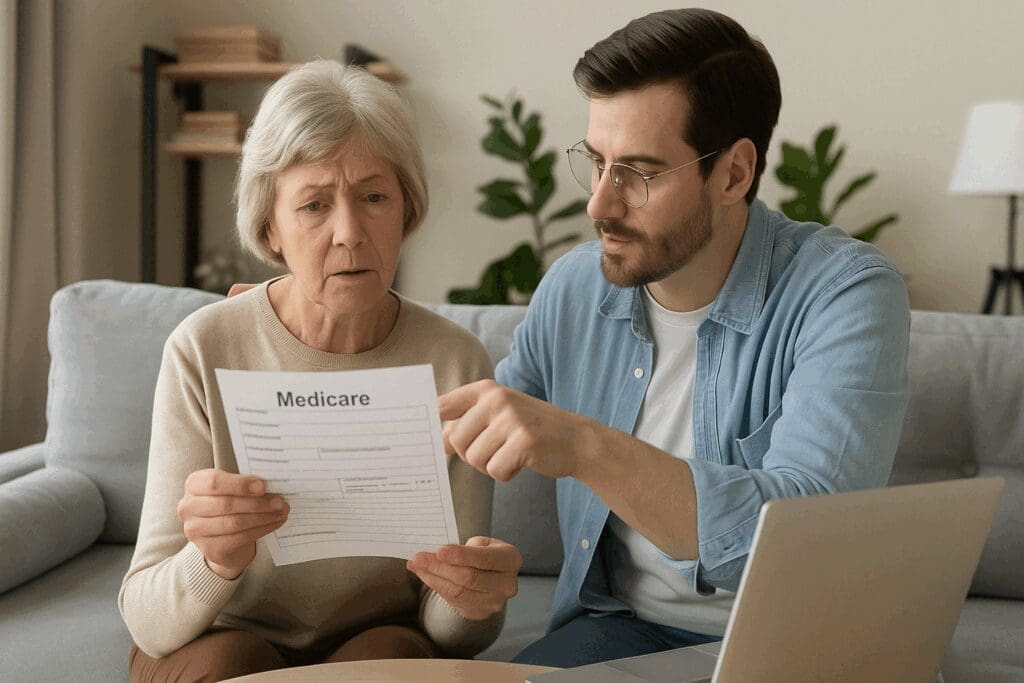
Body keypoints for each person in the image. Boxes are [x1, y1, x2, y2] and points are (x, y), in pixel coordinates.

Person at [438, 8, 910, 668]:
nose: (600, 204)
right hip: (621, 628)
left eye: (639, 172)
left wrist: (585, 445)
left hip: (801, 644)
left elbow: (804, 540)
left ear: (734, 174)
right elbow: (473, 437)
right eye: (596, 163)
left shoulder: (846, 292)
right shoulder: (576, 286)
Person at [119, 60, 520, 682]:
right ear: (270, 227)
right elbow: (148, 621)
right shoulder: (203, 348)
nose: (350, 234)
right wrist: (214, 561)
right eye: (313, 205)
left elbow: (451, 630)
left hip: (376, 639)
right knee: (233, 663)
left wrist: (472, 600)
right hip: (224, 635)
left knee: (388, 661)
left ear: (405, 211)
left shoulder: (455, 361)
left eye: (374, 197)